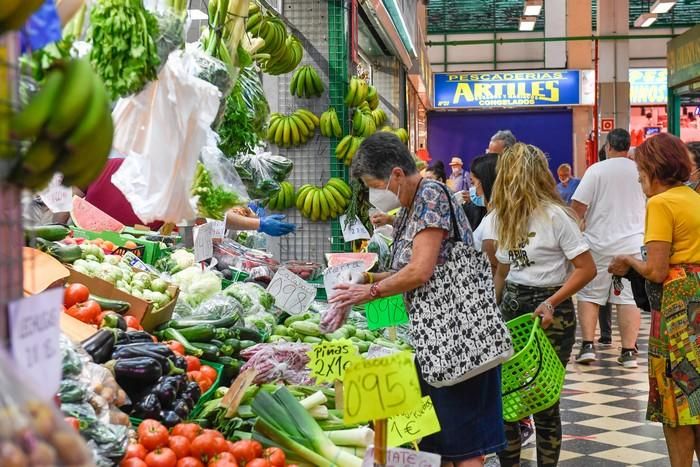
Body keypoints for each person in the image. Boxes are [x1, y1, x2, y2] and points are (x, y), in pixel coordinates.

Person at [330, 132, 506, 466]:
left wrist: (368, 291)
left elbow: (420, 272)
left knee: (466, 442)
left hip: (460, 338)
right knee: (448, 441)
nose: (374, 195)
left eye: (373, 184)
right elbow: (409, 271)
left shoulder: (431, 196)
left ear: (396, 174)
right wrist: (365, 279)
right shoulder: (411, 208)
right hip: (439, 342)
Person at [492, 143, 596, 467]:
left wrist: (552, 302)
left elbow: (587, 268)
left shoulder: (556, 216)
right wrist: (491, 312)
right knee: (506, 399)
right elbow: (503, 270)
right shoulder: (504, 216)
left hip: (552, 313)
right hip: (512, 304)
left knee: (544, 402)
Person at [607, 133, 700, 467]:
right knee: (698, 398)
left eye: (641, 168)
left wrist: (629, 262)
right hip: (697, 302)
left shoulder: (661, 204)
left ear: (655, 169)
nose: (638, 176)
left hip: (677, 309)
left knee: (677, 401)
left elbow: (658, 270)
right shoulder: (692, 197)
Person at [571, 129, 645, 368]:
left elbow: (578, 206)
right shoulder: (639, 170)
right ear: (628, 146)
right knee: (628, 298)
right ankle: (628, 352)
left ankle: (587, 346)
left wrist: (576, 230)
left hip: (598, 243)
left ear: (608, 146)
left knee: (590, 294)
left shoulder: (596, 170)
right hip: (633, 244)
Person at [86, 157, 295, 236]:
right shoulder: (110, 166)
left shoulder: (172, 190)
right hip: (88, 243)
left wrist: (258, 224)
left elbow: (209, 214)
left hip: (125, 251)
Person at [469, 153, 499, 273]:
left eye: (472, 182)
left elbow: (492, 268)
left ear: (484, 182)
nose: (473, 189)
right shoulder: (490, 215)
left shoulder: (494, 219)